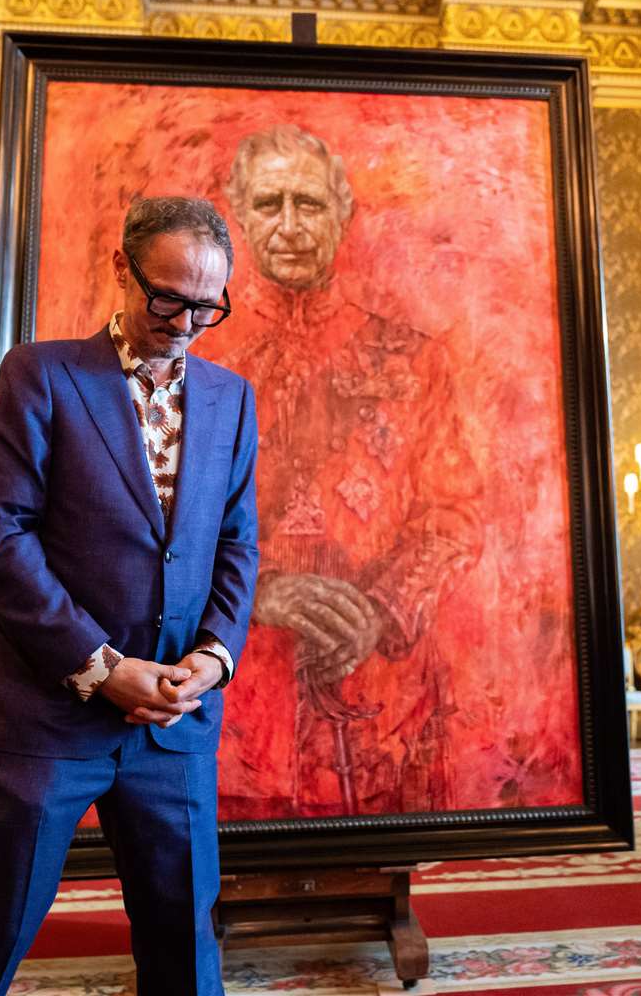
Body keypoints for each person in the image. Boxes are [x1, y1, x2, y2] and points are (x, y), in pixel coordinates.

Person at [0, 196, 259, 996]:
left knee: (186, 949)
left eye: (208, 305)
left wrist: (212, 657)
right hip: (45, 719)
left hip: (175, 725)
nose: (186, 322)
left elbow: (237, 543)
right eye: (167, 298)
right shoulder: (40, 375)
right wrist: (100, 668)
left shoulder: (232, 398)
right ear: (121, 271)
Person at [214, 123, 482, 819]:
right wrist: (258, 596)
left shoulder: (414, 359)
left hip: (382, 682)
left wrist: (381, 610)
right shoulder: (197, 364)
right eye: (270, 204)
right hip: (241, 682)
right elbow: (152, 525)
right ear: (239, 215)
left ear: (344, 212)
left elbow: (453, 516)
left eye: (309, 204)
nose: (291, 225)